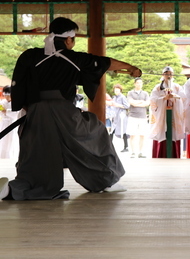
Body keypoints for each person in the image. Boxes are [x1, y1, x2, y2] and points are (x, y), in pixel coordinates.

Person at [0, 17, 141, 201]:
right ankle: (105, 180)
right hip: (64, 112)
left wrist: (29, 109)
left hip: (35, 111)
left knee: (38, 152)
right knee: (94, 132)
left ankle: (17, 189)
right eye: (73, 40)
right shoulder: (74, 58)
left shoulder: (30, 55)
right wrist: (132, 69)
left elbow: (19, 83)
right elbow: (104, 62)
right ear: (68, 40)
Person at [149, 66, 185, 158]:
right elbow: (153, 100)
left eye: (170, 74)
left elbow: (183, 98)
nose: (168, 75)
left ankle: (174, 156)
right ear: (163, 74)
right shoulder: (158, 87)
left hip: (174, 114)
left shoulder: (177, 87)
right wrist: (164, 98)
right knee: (162, 133)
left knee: (173, 134)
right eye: (166, 73)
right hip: (162, 115)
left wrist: (174, 97)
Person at [126, 78, 150, 158]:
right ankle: (133, 152)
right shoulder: (130, 93)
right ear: (135, 84)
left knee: (142, 135)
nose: (139, 84)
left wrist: (137, 103)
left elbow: (147, 103)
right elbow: (131, 102)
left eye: (140, 83)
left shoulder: (145, 93)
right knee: (132, 134)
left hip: (143, 116)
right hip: (133, 116)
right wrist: (141, 102)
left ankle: (141, 152)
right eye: (138, 83)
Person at [0, 86, 19, 159]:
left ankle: (9, 157)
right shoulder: (2, 103)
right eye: (6, 95)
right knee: (2, 141)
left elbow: (16, 114)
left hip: (12, 123)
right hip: (4, 123)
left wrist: (6, 112)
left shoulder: (15, 103)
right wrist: (5, 112)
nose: (7, 97)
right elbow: (1, 113)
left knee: (11, 141)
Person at [110, 84, 130, 152]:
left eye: (117, 90)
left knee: (123, 131)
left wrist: (118, 105)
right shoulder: (114, 97)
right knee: (112, 131)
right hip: (115, 116)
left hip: (121, 116)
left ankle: (126, 147)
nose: (116, 91)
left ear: (120, 90)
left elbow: (127, 106)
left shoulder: (122, 97)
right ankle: (110, 146)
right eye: (115, 90)